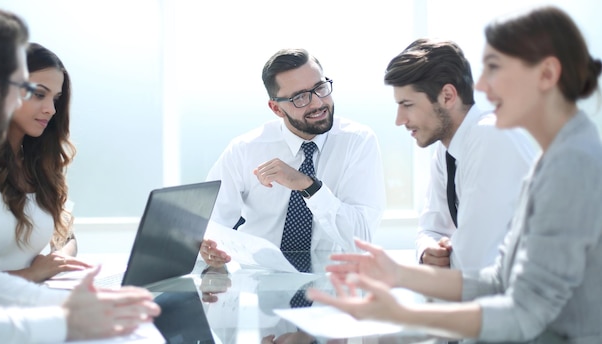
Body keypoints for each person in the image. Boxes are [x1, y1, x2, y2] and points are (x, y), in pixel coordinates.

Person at [308, 5, 602, 343]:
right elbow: (498, 281)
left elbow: (524, 312)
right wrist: (398, 273)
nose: (482, 87)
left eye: (495, 69)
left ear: (547, 75)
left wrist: (401, 313)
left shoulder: (572, 164)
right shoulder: (552, 159)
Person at [0, 4, 160, 343]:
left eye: (55, 98)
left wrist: (88, 305)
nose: (48, 108)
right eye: (29, 91)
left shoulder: (30, 160)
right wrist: (65, 316)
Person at [201, 48, 386, 267]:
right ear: (276, 109)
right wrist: (209, 248)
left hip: (333, 283)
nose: (317, 103)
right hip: (262, 281)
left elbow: (360, 239)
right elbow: (210, 224)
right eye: (300, 98)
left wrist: (308, 186)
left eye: (321, 88)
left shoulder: (357, 141)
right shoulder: (245, 150)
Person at [385, 38, 536, 270]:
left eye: (407, 104)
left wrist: (399, 274)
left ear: (447, 96)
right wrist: (428, 250)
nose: (399, 120)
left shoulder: (491, 137)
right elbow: (431, 228)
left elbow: (473, 264)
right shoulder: (447, 150)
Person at [0, 42, 91, 283]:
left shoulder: (36, 163)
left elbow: (66, 236)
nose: (51, 110)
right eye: (39, 94)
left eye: (56, 99)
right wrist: (32, 274)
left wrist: (57, 259)